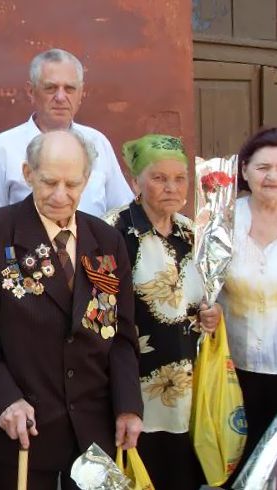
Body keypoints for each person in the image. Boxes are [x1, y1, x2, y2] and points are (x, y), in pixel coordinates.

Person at [0, 130, 143, 490]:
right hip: (24, 430)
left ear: (87, 179)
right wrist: (6, 401)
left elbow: (120, 335)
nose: (60, 195)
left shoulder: (106, 241)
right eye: (49, 182)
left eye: (72, 184)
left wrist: (128, 405)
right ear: (28, 174)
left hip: (94, 432)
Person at [103, 134, 221, 490]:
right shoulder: (112, 232)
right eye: (159, 178)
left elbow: (201, 300)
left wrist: (211, 315)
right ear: (135, 182)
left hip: (187, 388)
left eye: (180, 178)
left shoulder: (191, 232)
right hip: (134, 388)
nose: (172, 187)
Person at [0, 48, 133, 216]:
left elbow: (123, 211)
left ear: (81, 93)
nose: (60, 97)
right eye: (50, 88)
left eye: (69, 89)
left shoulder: (98, 142)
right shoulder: (3, 148)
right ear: (31, 91)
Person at [220, 127, 277, 474]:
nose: (272, 177)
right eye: (262, 167)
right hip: (233, 368)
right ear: (244, 171)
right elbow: (204, 285)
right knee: (236, 465)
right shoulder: (224, 219)